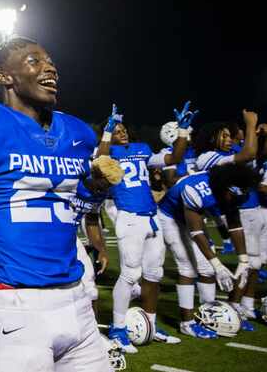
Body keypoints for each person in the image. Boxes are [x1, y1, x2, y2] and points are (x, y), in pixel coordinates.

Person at [0, 36, 124, 372]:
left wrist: (95, 188)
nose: (51, 67)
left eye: (50, 61)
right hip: (15, 302)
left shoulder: (76, 133)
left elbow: (75, 208)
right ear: (6, 76)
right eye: (34, 60)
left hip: (76, 299)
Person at [96, 103, 193, 350]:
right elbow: (100, 161)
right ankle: (118, 330)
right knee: (130, 274)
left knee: (154, 274)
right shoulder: (106, 152)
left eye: (123, 129)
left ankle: (150, 322)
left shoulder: (142, 149)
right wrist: (106, 134)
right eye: (116, 130)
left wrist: (182, 132)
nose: (122, 132)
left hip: (151, 216)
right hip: (129, 217)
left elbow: (174, 157)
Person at [157, 162, 261, 338]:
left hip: (191, 218)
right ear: (226, 188)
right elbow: (196, 233)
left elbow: (235, 225)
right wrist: (219, 265)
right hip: (170, 219)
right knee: (188, 268)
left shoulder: (227, 189)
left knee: (207, 270)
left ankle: (209, 316)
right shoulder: (195, 190)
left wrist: (243, 260)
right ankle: (187, 323)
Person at [193, 114, 260, 330]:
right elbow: (249, 153)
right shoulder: (207, 157)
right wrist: (251, 124)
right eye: (225, 136)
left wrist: (259, 135)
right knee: (205, 268)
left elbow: (255, 153)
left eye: (231, 136)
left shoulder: (227, 154)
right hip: (211, 212)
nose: (230, 140)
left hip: (236, 212)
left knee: (249, 263)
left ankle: (236, 307)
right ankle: (224, 309)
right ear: (212, 138)